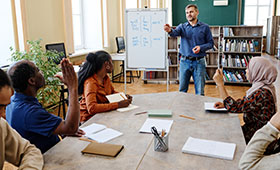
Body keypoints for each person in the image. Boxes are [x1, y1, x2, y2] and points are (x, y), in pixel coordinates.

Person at [6, 58, 84, 153]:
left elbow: (36, 129)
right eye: (38, 70)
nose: (41, 72)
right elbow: (71, 128)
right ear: (32, 81)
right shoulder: (29, 112)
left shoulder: (14, 101)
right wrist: (72, 87)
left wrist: (62, 131)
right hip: (47, 159)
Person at [213, 57, 277, 145]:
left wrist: (220, 84)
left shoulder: (262, 93)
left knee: (223, 136)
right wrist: (225, 104)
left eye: (248, 69)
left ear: (258, 72)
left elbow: (234, 108)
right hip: (256, 132)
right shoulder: (264, 87)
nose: (246, 71)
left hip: (258, 138)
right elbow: (246, 103)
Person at [164, 4, 213, 95]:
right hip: (184, 62)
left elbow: (211, 43)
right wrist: (169, 30)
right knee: (182, 90)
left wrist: (201, 48)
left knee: (199, 91)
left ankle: (199, 109)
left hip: (199, 63)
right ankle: (183, 109)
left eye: (191, 12)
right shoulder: (182, 27)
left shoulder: (205, 27)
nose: (189, 14)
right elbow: (174, 33)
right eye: (187, 13)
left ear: (197, 12)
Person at [0, 69, 43, 169]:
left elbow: (29, 151)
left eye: (5, 107)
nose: (4, 115)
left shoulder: (1, 126)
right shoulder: (30, 112)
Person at [78, 51, 132, 123]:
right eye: (111, 62)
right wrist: (118, 105)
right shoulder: (91, 83)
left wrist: (123, 96)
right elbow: (92, 108)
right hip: (89, 119)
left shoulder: (105, 78)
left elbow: (111, 92)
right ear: (107, 64)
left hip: (101, 113)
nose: (112, 65)